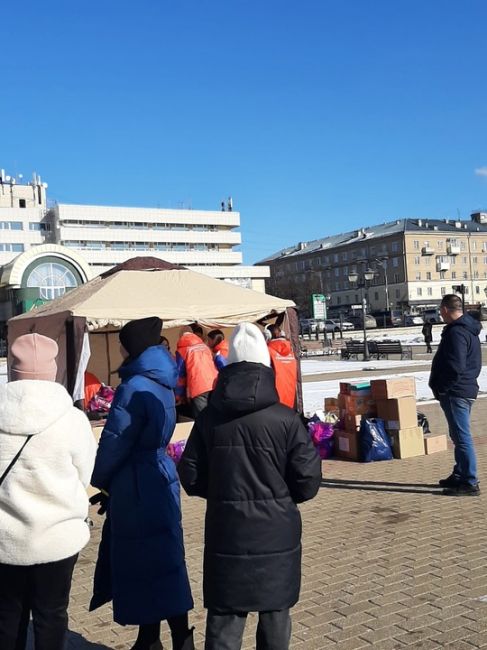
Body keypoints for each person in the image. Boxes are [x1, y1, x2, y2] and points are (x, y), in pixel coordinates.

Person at [178, 322, 321, 650]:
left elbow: (191, 475)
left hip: (227, 531)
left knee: (225, 620)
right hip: (277, 532)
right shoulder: (286, 419)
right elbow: (308, 480)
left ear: (227, 367)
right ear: (265, 365)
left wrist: (221, 493)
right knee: (275, 614)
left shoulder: (209, 420)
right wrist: (283, 497)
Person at [90, 317, 194, 650]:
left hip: (135, 481)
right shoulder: (162, 378)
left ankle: (150, 639)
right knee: (165, 558)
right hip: (161, 474)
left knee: (140, 560)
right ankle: (176, 637)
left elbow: (115, 440)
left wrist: (101, 481)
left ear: (130, 347)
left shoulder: (133, 386)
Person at [0, 333, 96, 650]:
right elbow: (84, 475)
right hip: (58, 538)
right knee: (52, 614)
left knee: (8, 615)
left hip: (5, 539)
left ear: (14, 371)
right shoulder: (73, 420)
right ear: (53, 372)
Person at [429, 294, 482, 496]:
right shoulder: (468, 329)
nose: (440, 315)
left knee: (462, 437)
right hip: (464, 388)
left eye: (440, 311)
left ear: (444, 309)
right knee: (458, 435)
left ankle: (469, 481)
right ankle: (460, 473)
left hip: (457, 391)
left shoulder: (457, 332)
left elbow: (455, 365)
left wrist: (444, 386)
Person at [175, 327, 218, 417]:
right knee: (213, 415)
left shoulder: (183, 349)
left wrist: (178, 395)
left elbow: (180, 374)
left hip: (198, 386)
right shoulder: (204, 347)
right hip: (213, 383)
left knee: (201, 418)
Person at [267, 324, 298, 408]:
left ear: (268, 335)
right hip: (291, 398)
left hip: (275, 400)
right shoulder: (291, 351)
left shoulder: (267, 351)